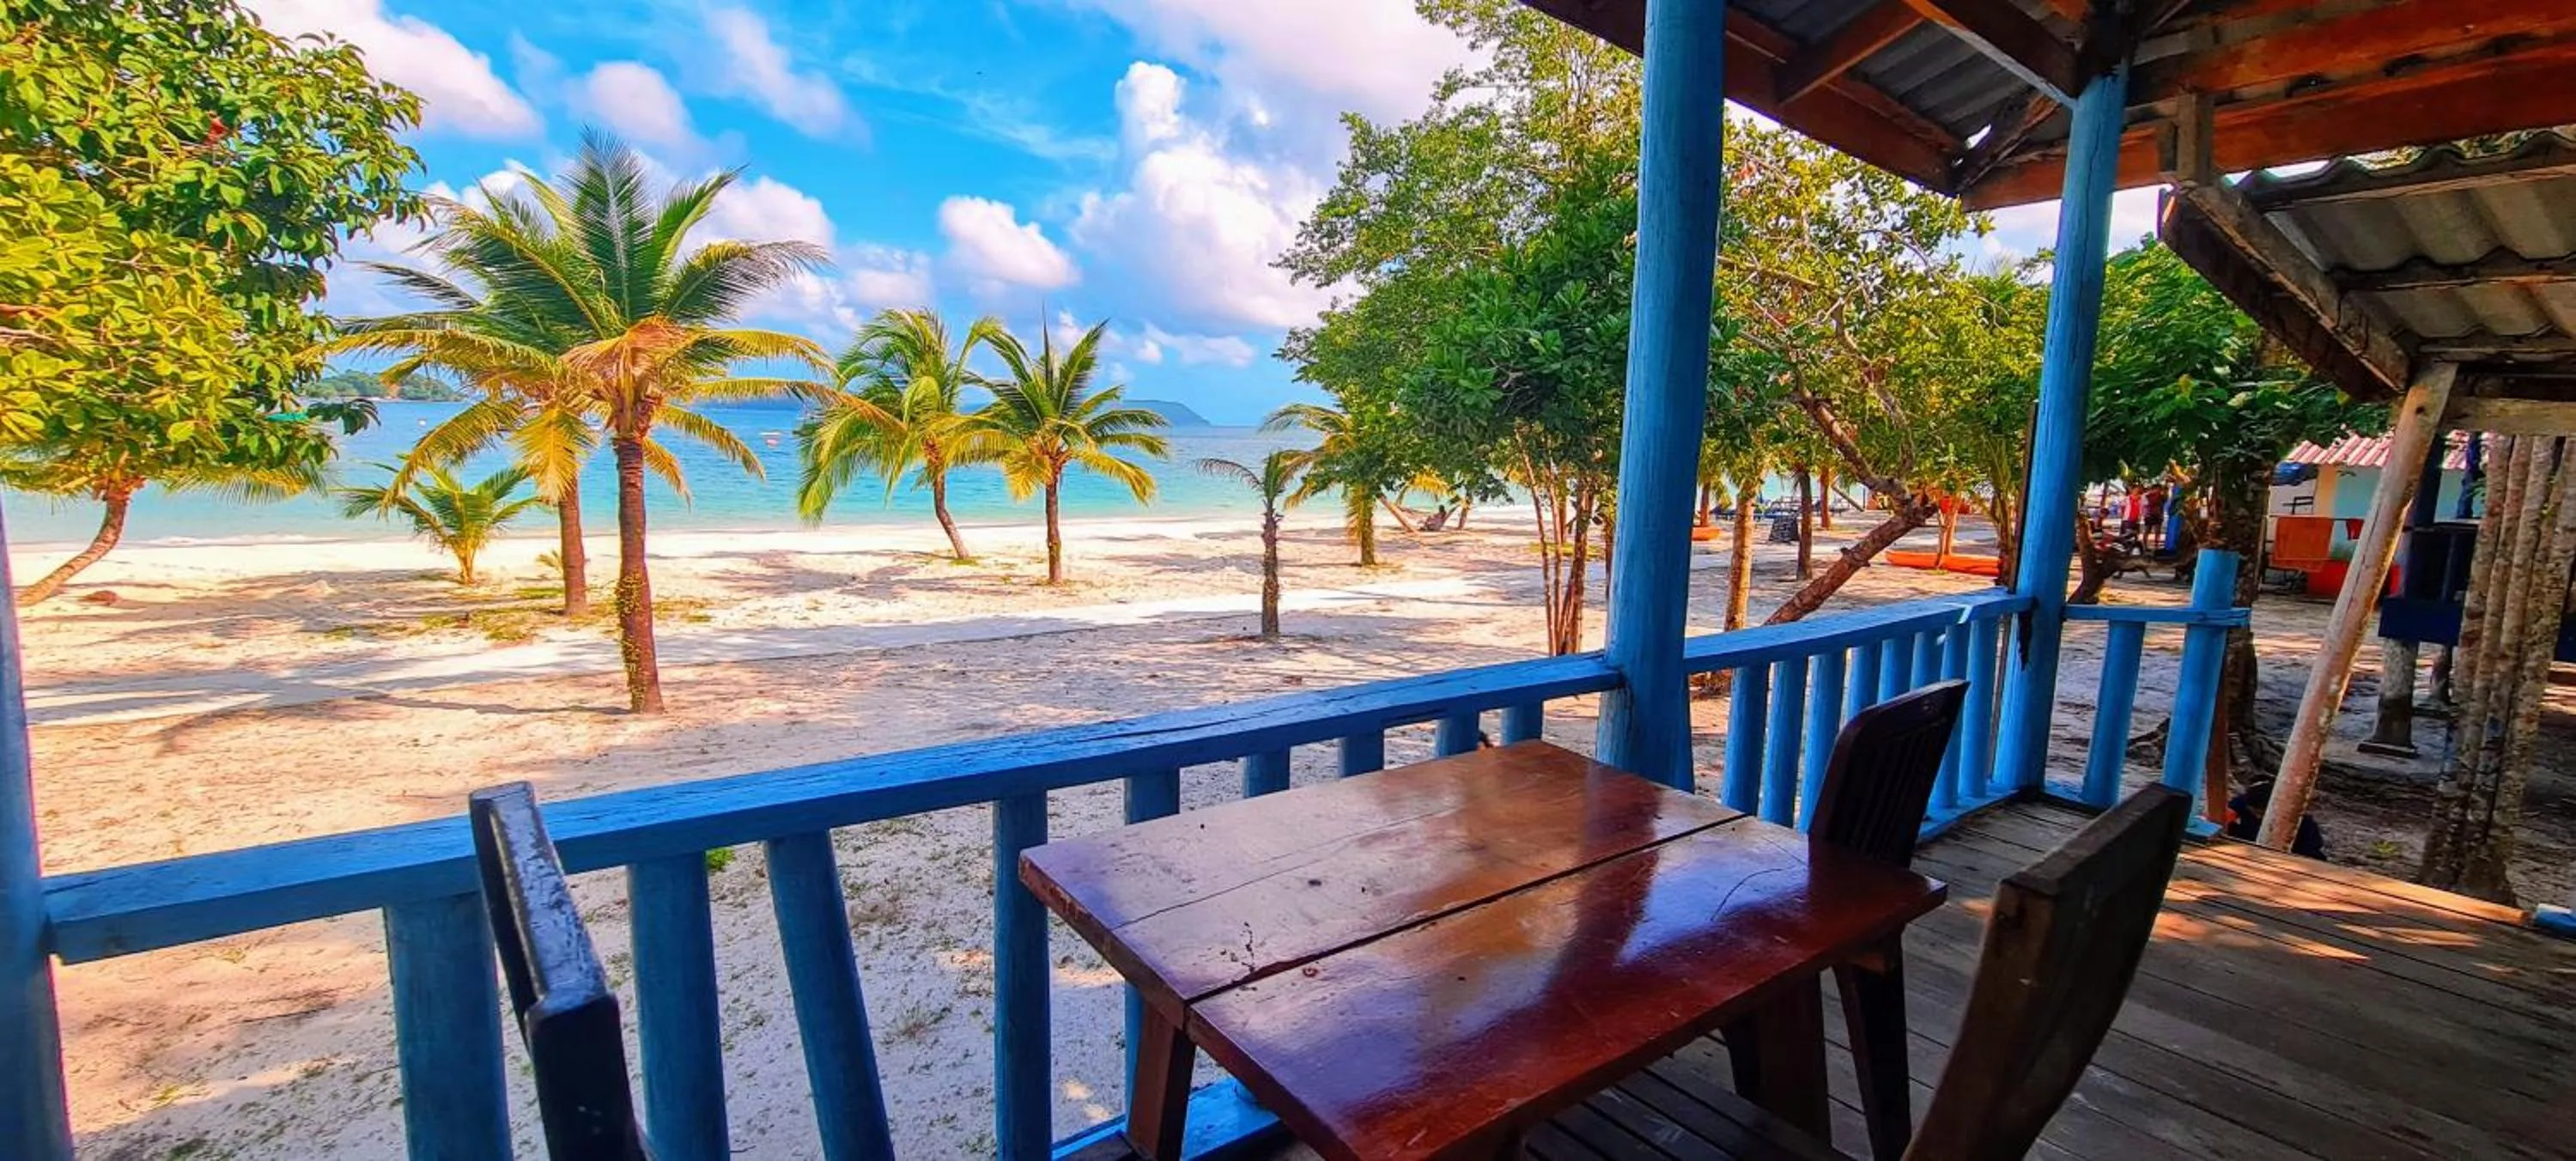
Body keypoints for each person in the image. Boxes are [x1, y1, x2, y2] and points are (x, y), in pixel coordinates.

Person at [2223, 777, 2325, 859]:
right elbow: (2228, 813)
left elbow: (2312, 851)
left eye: (2261, 813)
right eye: (2254, 812)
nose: (2258, 816)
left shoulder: (2303, 823)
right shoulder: (2245, 802)